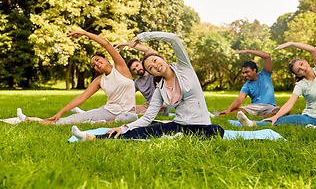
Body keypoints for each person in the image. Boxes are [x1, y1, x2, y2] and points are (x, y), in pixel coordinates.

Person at [71, 31, 224, 141]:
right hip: (179, 125)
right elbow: (147, 118)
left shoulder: (185, 69)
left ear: (161, 59)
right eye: (150, 68)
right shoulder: (160, 89)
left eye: (155, 61)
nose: (154, 66)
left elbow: (174, 39)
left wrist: (142, 37)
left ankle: (181, 137)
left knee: (217, 130)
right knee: (144, 130)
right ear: (152, 73)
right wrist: (123, 127)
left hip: (202, 125)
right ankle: (93, 137)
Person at [17, 30, 138, 124]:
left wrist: (85, 33)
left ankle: (101, 123)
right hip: (108, 111)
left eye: (97, 60)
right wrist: (60, 112)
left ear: (106, 58)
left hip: (128, 113)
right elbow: (81, 98)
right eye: (93, 65)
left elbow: (106, 44)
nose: (96, 64)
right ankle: (34, 121)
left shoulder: (121, 69)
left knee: (129, 119)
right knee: (75, 118)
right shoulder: (100, 80)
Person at [236, 42, 316, 129]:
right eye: (298, 70)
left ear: (305, 61)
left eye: (301, 64)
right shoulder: (301, 84)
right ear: (298, 75)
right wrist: (276, 116)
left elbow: (313, 50)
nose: (302, 68)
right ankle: (252, 124)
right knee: (286, 120)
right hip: (310, 118)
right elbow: (290, 103)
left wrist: (292, 43)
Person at [71, 42, 169, 115]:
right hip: (148, 105)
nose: (137, 69)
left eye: (137, 65)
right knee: (118, 106)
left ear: (141, 63)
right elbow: (119, 96)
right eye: (134, 69)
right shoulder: (137, 83)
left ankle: (89, 115)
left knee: (126, 111)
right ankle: (89, 113)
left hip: (160, 106)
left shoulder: (153, 72)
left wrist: (126, 44)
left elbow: (147, 50)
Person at [218, 50, 281, 118]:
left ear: (254, 70)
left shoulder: (265, 74)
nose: (245, 75)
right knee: (236, 111)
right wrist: (229, 110)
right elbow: (240, 98)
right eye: (243, 73)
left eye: (247, 72)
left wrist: (247, 51)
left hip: (269, 107)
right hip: (254, 107)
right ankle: (217, 116)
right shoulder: (247, 85)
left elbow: (267, 56)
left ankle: (262, 116)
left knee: (282, 110)